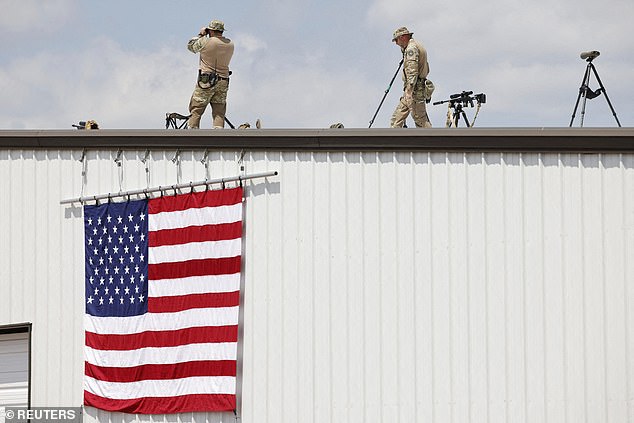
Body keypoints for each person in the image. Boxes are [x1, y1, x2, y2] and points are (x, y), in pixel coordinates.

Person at [186, 20, 235, 129]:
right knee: (219, 112)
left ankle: (192, 134)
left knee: (196, 109)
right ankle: (218, 135)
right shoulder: (230, 44)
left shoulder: (206, 41)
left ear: (211, 30)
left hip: (206, 81)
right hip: (223, 81)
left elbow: (190, 46)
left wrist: (201, 34)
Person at [390, 26, 432, 128]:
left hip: (414, 90)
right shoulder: (414, 46)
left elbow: (412, 72)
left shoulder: (411, 49)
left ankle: (432, 141)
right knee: (397, 118)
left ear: (403, 37)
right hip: (413, 89)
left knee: (420, 120)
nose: (396, 43)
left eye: (397, 40)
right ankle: (392, 140)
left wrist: (409, 92)